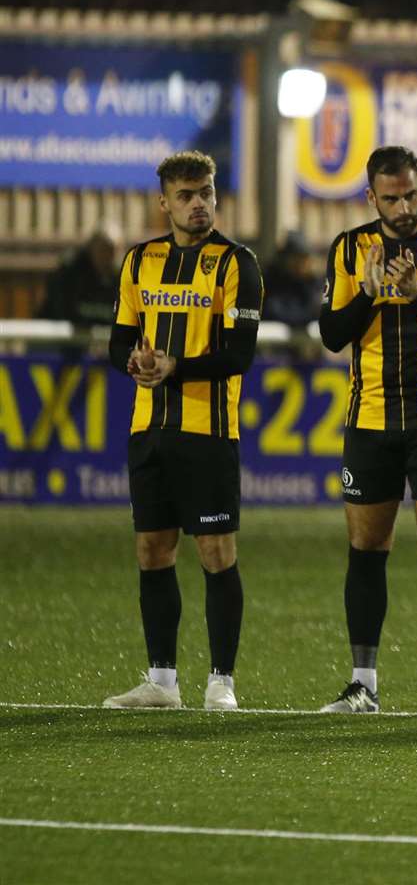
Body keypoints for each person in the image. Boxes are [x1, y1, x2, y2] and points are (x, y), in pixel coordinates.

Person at [315, 145, 417, 716]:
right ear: (371, 198)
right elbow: (333, 335)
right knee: (366, 548)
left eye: (411, 193)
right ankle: (363, 683)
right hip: (370, 421)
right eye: (391, 197)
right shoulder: (348, 250)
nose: (403, 205)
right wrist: (366, 292)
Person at [101, 151, 260, 710]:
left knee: (216, 552)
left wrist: (176, 367)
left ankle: (222, 681)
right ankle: (162, 682)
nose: (200, 204)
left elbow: (239, 354)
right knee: (152, 551)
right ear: (164, 201)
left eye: (207, 193)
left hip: (209, 432)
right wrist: (136, 363)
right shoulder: (139, 261)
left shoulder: (237, 264)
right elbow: (120, 339)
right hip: (149, 430)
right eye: (188, 195)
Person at [38, 225, 124, 327]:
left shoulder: (122, 277)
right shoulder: (70, 270)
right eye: (103, 249)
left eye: (112, 250)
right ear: (92, 246)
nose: (107, 256)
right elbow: (60, 310)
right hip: (58, 334)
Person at [261, 230, 323, 327]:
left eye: (305, 259)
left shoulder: (310, 281)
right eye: (297, 258)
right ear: (285, 258)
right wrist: (312, 314)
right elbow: (274, 312)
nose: (302, 265)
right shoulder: (273, 279)